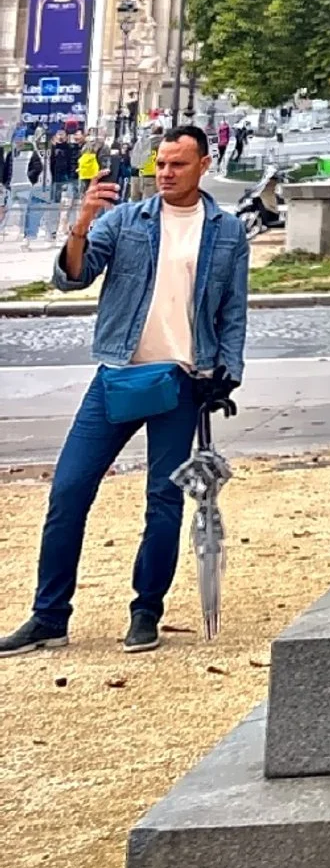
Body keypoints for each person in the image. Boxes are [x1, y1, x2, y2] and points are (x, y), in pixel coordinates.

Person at [0, 124, 247, 654]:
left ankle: (145, 611)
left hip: (182, 381)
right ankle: (49, 616)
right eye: (160, 163)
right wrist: (81, 226)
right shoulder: (127, 220)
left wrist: (227, 373)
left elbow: (233, 311)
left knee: (163, 500)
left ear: (204, 165)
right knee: (68, 490)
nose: (165, 173)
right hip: (116, 375)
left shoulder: (226, 232)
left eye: (178, 164)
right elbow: (74, 277)